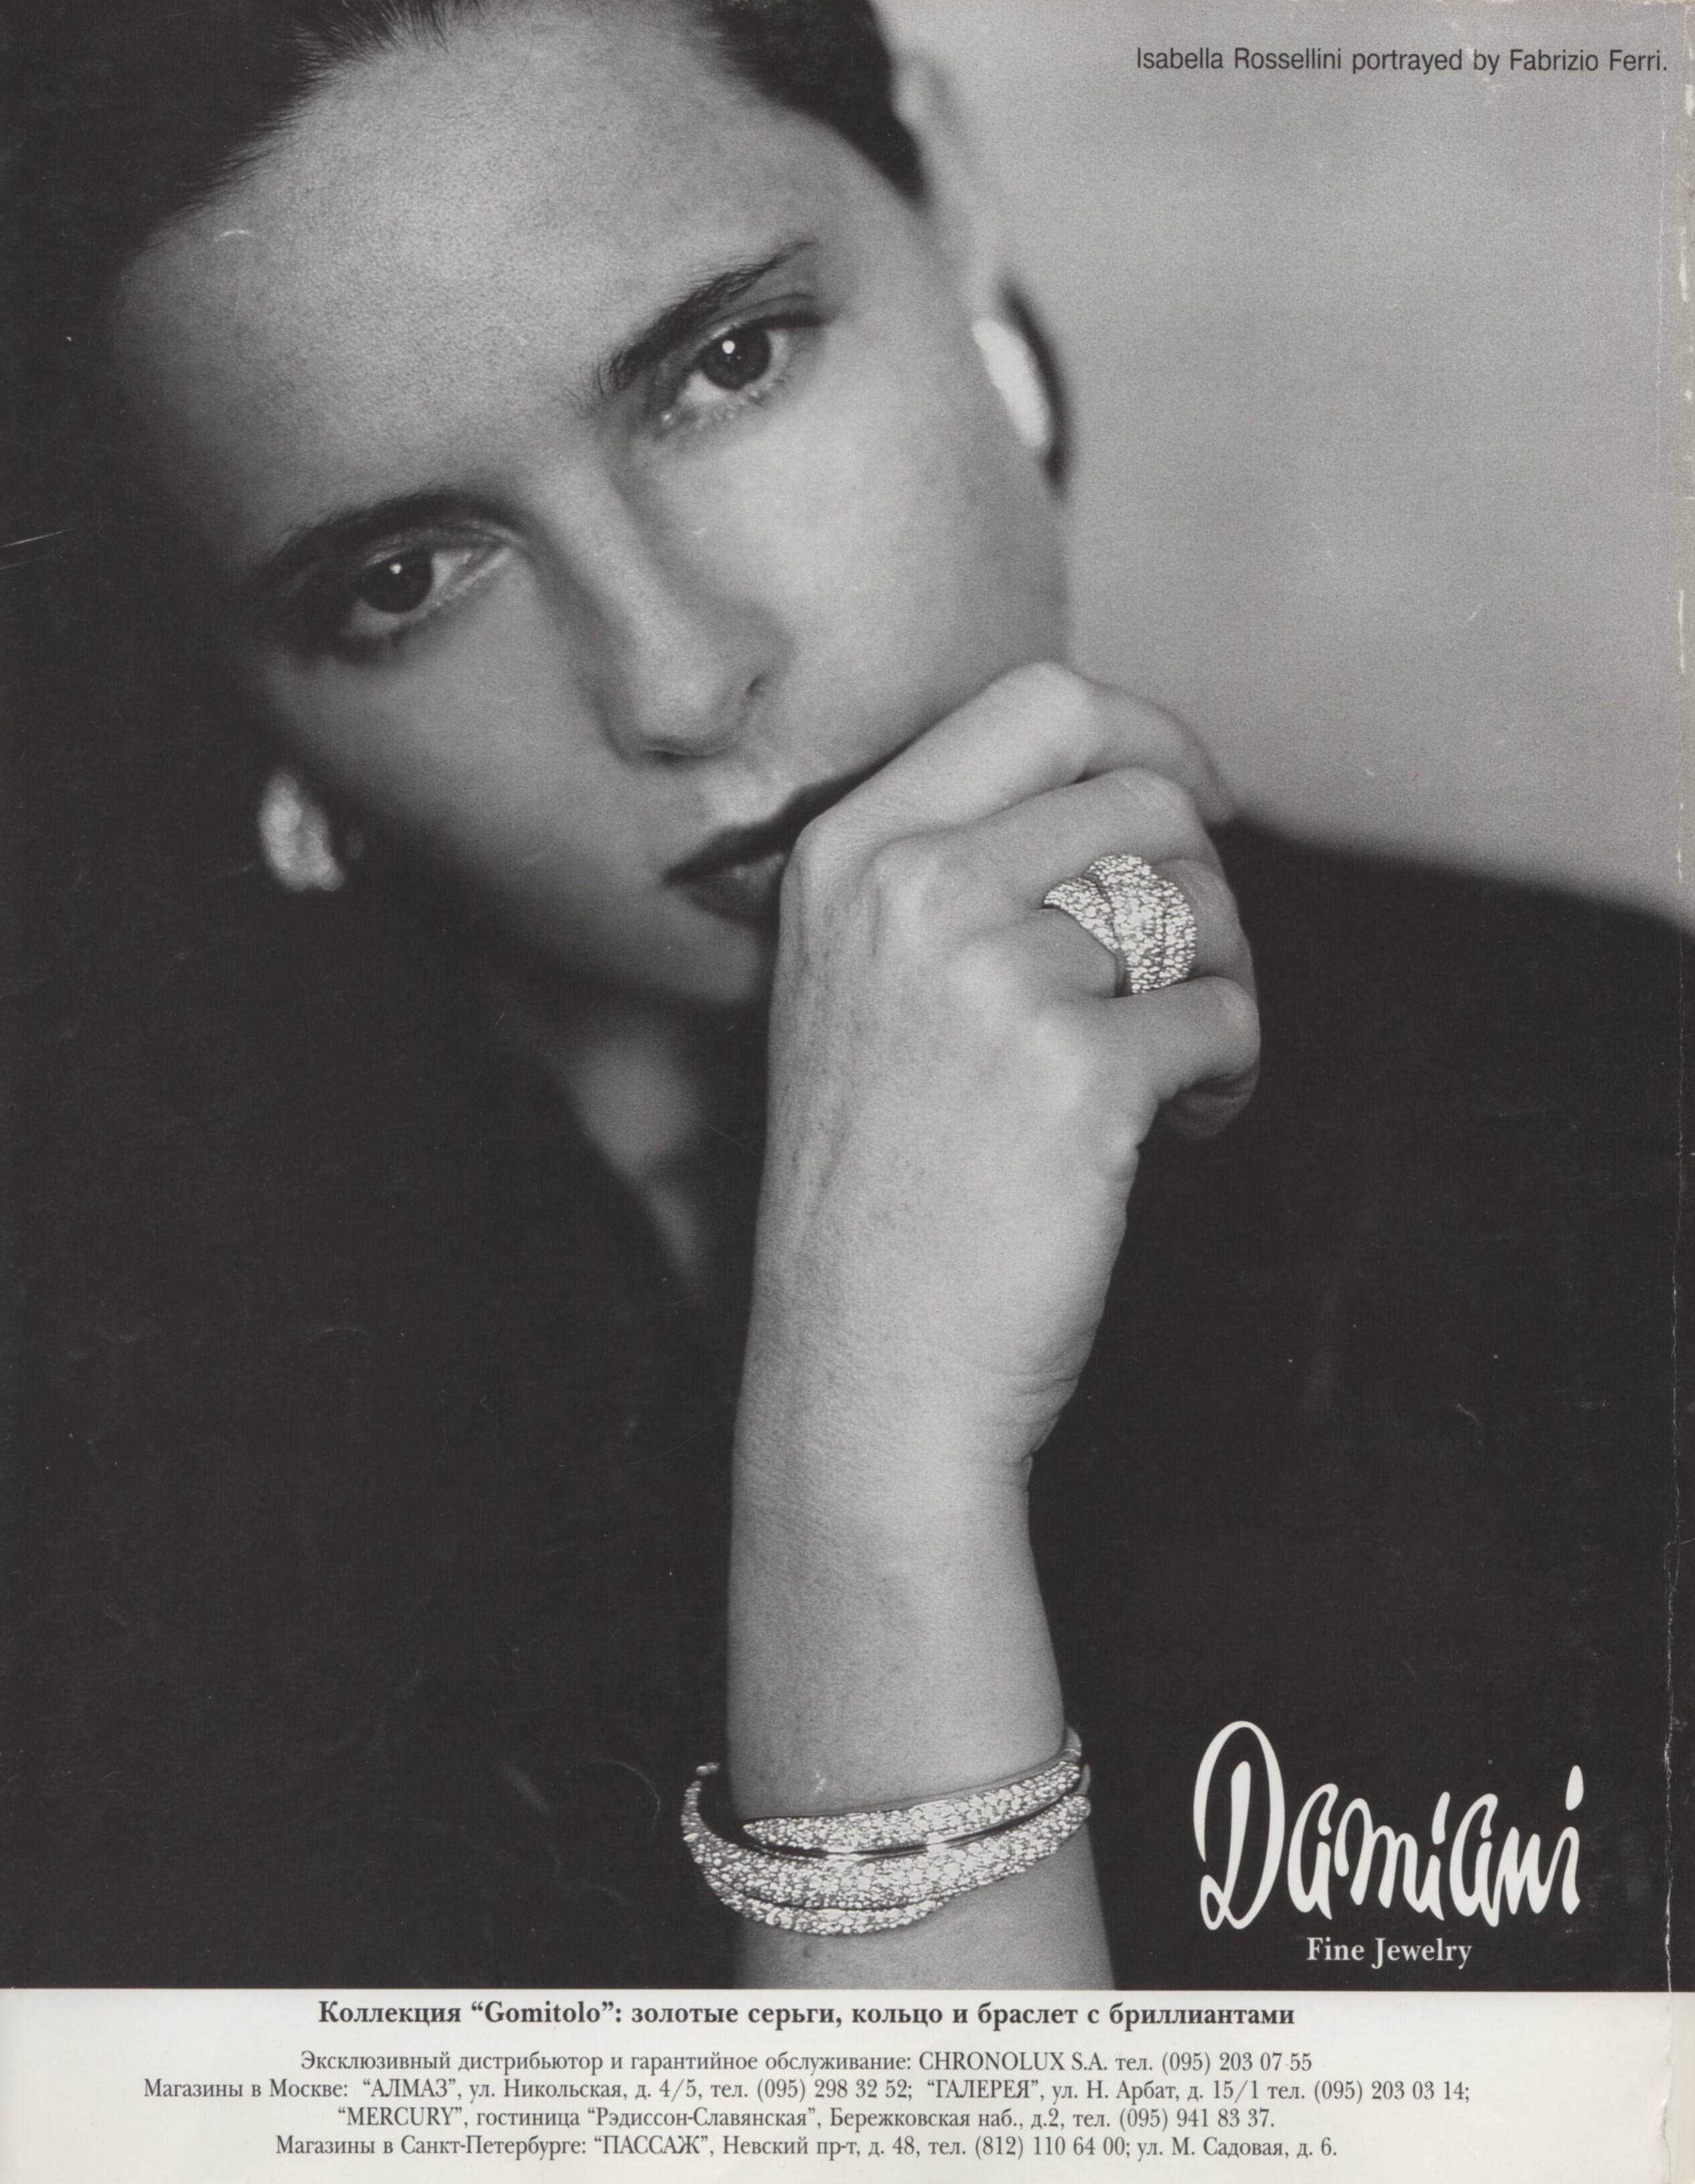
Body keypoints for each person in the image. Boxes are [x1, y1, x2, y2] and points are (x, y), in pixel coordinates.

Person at [7, 0, 1683, 1994]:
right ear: (255, 710)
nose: (676, 678)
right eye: (402, 578)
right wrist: (868, 1465)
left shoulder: (1616, 1110)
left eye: (727, 365)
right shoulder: (101, 1425)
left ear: (952, 205)